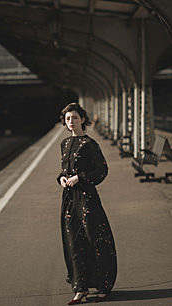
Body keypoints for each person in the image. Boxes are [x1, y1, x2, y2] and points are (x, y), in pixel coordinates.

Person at [57, 103, 117, 304]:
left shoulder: (90, 144)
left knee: (95, 240)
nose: (70, 122)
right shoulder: (64, 144)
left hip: (87, 198)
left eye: (74, 117)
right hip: (69, 200)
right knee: (73, 242)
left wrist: (80, 178)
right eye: (67, 119)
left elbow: (102, 171)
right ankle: (80, 288)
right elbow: (64, 171)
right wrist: (62, 179)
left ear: (83, 119)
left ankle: (103, 286)